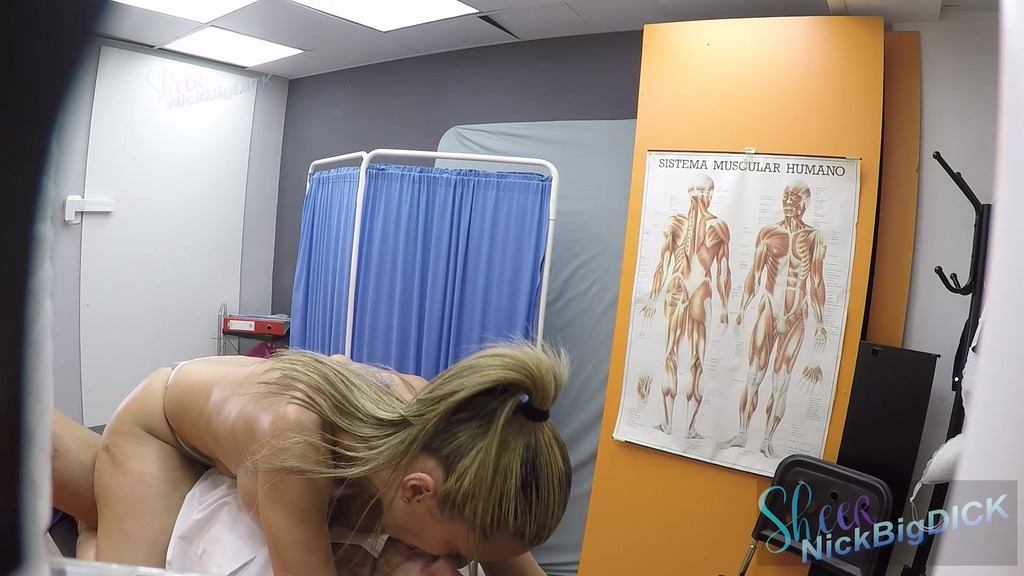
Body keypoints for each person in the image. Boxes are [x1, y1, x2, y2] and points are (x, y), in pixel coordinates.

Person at [92, 342, 572, 576]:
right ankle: (88, 529)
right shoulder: (298, 445)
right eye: (458, 554)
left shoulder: (453, 440)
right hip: (161, 427)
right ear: (417, 490)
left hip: (248, 412)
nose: (452, 567)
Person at [50, 408, 463, 576]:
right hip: (181, 461)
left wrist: (89, 537)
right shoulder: (379, 505)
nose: (446, 565)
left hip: (176, 507)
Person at [718, 180, 828, 458]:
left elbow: (816, 280)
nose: (789, 202)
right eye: (785, 197)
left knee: (782, 380)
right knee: (754, 375)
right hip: (768, 309)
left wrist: (820, 321)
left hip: (795, 316)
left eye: (795, 198)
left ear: (806, 203)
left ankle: (766, 440)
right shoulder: (768, 233)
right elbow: (754, 273)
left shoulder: (814, 238)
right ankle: (742, 433)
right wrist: (742, 309)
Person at [641, 174, 732, 438]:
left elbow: (722, 271)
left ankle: (678, 425)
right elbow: (721, 272)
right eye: (701, 192)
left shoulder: (713, 226)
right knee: (684, 357)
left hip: (690, 290)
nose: (700, 197)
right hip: (688, 289)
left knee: (684, 357)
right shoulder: (708, 225)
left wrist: (726, 307)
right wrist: (725, 308)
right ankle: (679, 426)